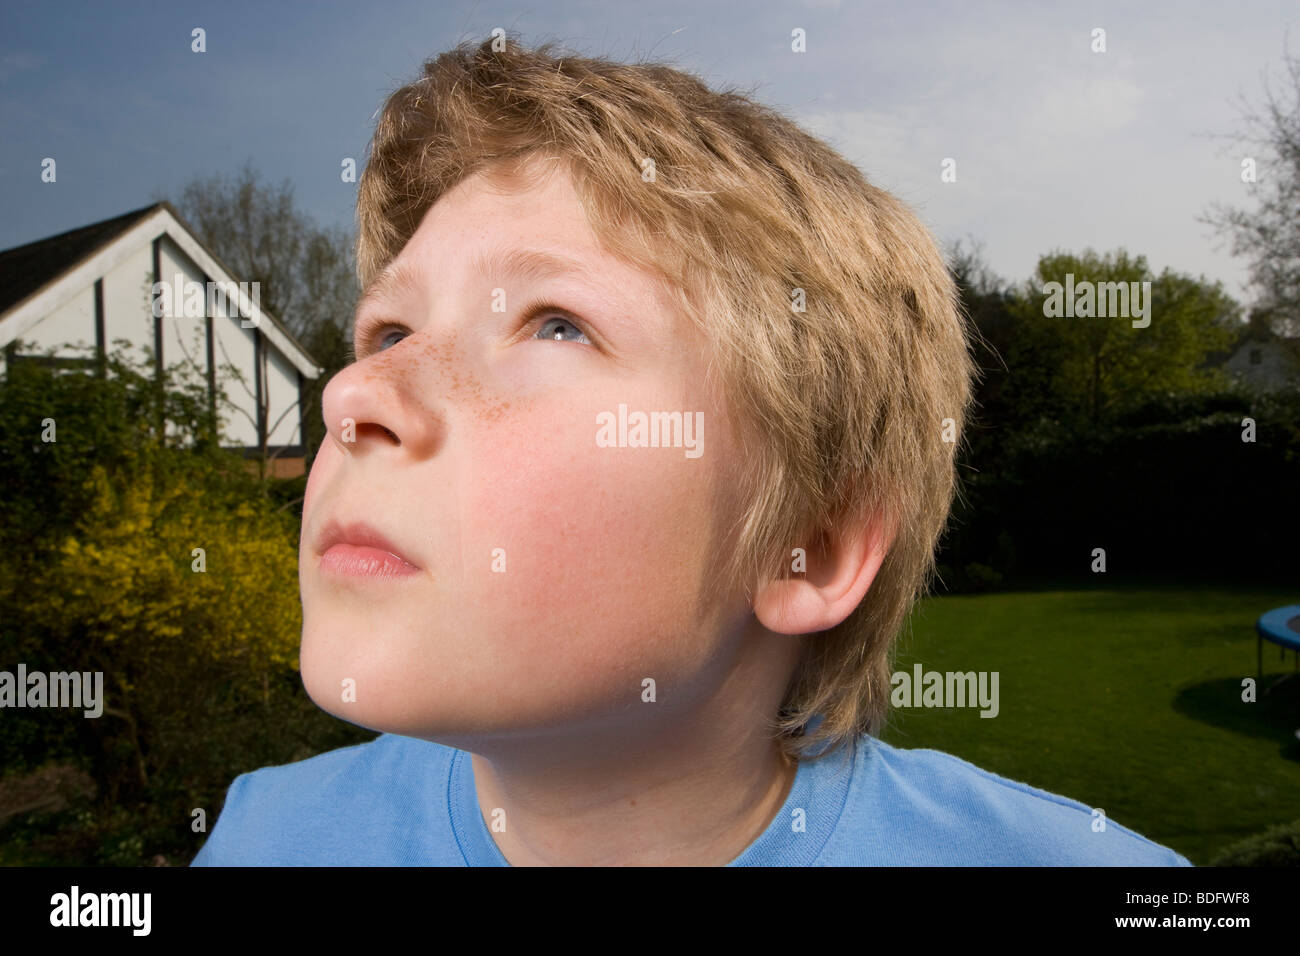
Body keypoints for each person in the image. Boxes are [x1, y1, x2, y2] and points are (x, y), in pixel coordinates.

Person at [192, 35, 1190, 866]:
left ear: (813, 543)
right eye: (388, 332)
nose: (355, 392)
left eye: (554, 324)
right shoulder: (260, 834)